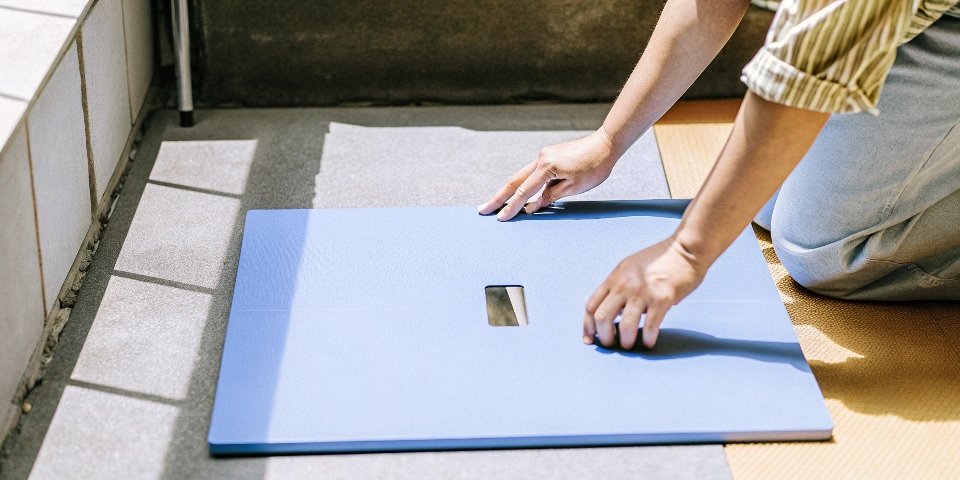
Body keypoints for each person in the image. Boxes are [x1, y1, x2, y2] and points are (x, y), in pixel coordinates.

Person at [479, 0, 960, 350]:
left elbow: (805, 76)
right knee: (765, 201)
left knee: (826, 252)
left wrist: (686, 253)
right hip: (907, 20)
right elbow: (706, 6)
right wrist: (609, 140)